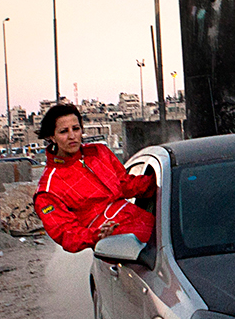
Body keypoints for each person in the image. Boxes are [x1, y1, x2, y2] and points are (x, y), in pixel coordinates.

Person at [34, 103, 156, 252]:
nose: (72, 136)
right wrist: (97, 235)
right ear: (52, 137)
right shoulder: (48, 189)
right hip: (121, 248)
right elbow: (66, 235)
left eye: (76, 129)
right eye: (64, 131)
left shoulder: (99, 152)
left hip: (152, 227)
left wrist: (158, 181)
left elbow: (126, 184)